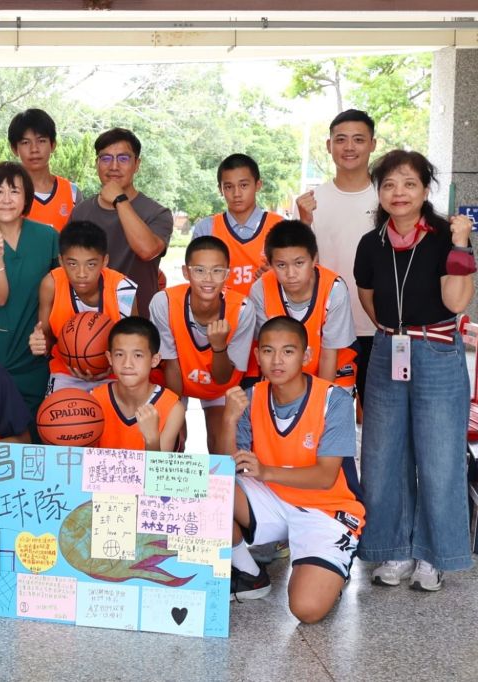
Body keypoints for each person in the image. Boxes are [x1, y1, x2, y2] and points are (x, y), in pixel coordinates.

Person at [353, 150, 475, 591]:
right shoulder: (372, 243)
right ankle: (394, 549)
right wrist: (395, 332)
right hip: (389, 350)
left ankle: (432, 555)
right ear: (379, 192)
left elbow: (456, 302)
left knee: (440, 457)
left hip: (437, 352)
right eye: (388, 184)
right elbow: (369, 298)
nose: (398, 193)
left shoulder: (445, 237)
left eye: (409, 184)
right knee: (383, 455)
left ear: (425, 190)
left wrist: (461, 245)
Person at [219, 316, 363, 623]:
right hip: (272, 498)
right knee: (209, 488)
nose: (277, 360)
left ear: (306, 356)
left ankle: (332, 568)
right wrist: (229, 421)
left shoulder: (333, 399)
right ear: (257, 356)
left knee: (306, 609)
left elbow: (325, 477)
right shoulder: (253, 395)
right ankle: (250, 574)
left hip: (325, 509)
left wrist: (266, 472)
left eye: (288, 351)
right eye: (268, 351)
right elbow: (226, 468)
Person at [296, 109, 378, 401]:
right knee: (325, 409)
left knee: (376, 414)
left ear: (373, 144)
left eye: (359, 139)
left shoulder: (389, 197)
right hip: (326, 326)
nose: (349, 147)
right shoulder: (311, 202)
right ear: (329, 145)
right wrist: (304, 222)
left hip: (377, 325)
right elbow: (302, 265)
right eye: (341, 139)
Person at [0, 161, 59, 417]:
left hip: (37, 349)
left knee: (38, 424)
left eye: (14, 191)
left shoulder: (48, 237)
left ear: (27, 197)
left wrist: (49, 334)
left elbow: (61, 290)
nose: (6, 199)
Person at [149, 236, 254, 454]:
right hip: (178, 378)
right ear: (186, 272)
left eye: (217, 271)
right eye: (199, 270)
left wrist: (219, 347)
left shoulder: (243, 309)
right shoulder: (164, 302)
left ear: (227, 274)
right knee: (173, 440)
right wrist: (176, 416)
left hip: (220, 386)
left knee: (221, 446)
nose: (208, 279)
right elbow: (172, 365)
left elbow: (223, 378)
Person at [68, 127, 173, 317]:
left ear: (137, 164)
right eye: (106, 158)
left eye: (123, 158)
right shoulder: (81, 212)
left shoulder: (157, 213)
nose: (114, 166)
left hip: (137, 324)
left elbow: (147, 250)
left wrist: (120, 200)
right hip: (88, 321)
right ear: (96, 163)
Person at [246, 219, 357, 392]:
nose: (291, 274)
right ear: (270, 264)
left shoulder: (334, 289)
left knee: (331, 405)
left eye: (299, 263)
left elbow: (329, 355)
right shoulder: (260, 290)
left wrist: (318, 400)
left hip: (333, 368)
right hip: (283, 370)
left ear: (314, 259)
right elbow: (269, 352)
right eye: (281, 265)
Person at [28, 220, 137, 394]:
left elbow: (136, 345)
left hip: (116, 372)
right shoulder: (51, 284)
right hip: (66, 371)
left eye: (91, 264)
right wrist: (39, 343)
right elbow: (47, 339)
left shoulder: (123, 290)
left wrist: (112, 366)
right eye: (72, 264)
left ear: (105, 261)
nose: (81, 273)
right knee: (59, 412)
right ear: (61, 261)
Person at [192, 153, 283, 296]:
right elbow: (196, 278)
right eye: (229, 187)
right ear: (220, 189)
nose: (237, 193)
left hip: (267, 308)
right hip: (221, 308)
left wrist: (279, 275)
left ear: (258, 185)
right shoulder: (206, 229)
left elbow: (299, 275)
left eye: (244, 185)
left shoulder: (280, 226)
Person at [91, 317, 185, 451]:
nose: (127, 364)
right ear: (109, 358)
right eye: (119, 354)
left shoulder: (173, 408)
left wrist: (152, 439)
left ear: (155, 360)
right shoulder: (94, 400)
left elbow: (159, 464)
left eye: (138, 355)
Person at [7, 108, 82, 231]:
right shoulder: (3, 194)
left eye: (41, 141)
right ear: (14, 149)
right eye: (25, 142)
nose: (34, 149)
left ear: (53, 145)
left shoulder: (72, 193)